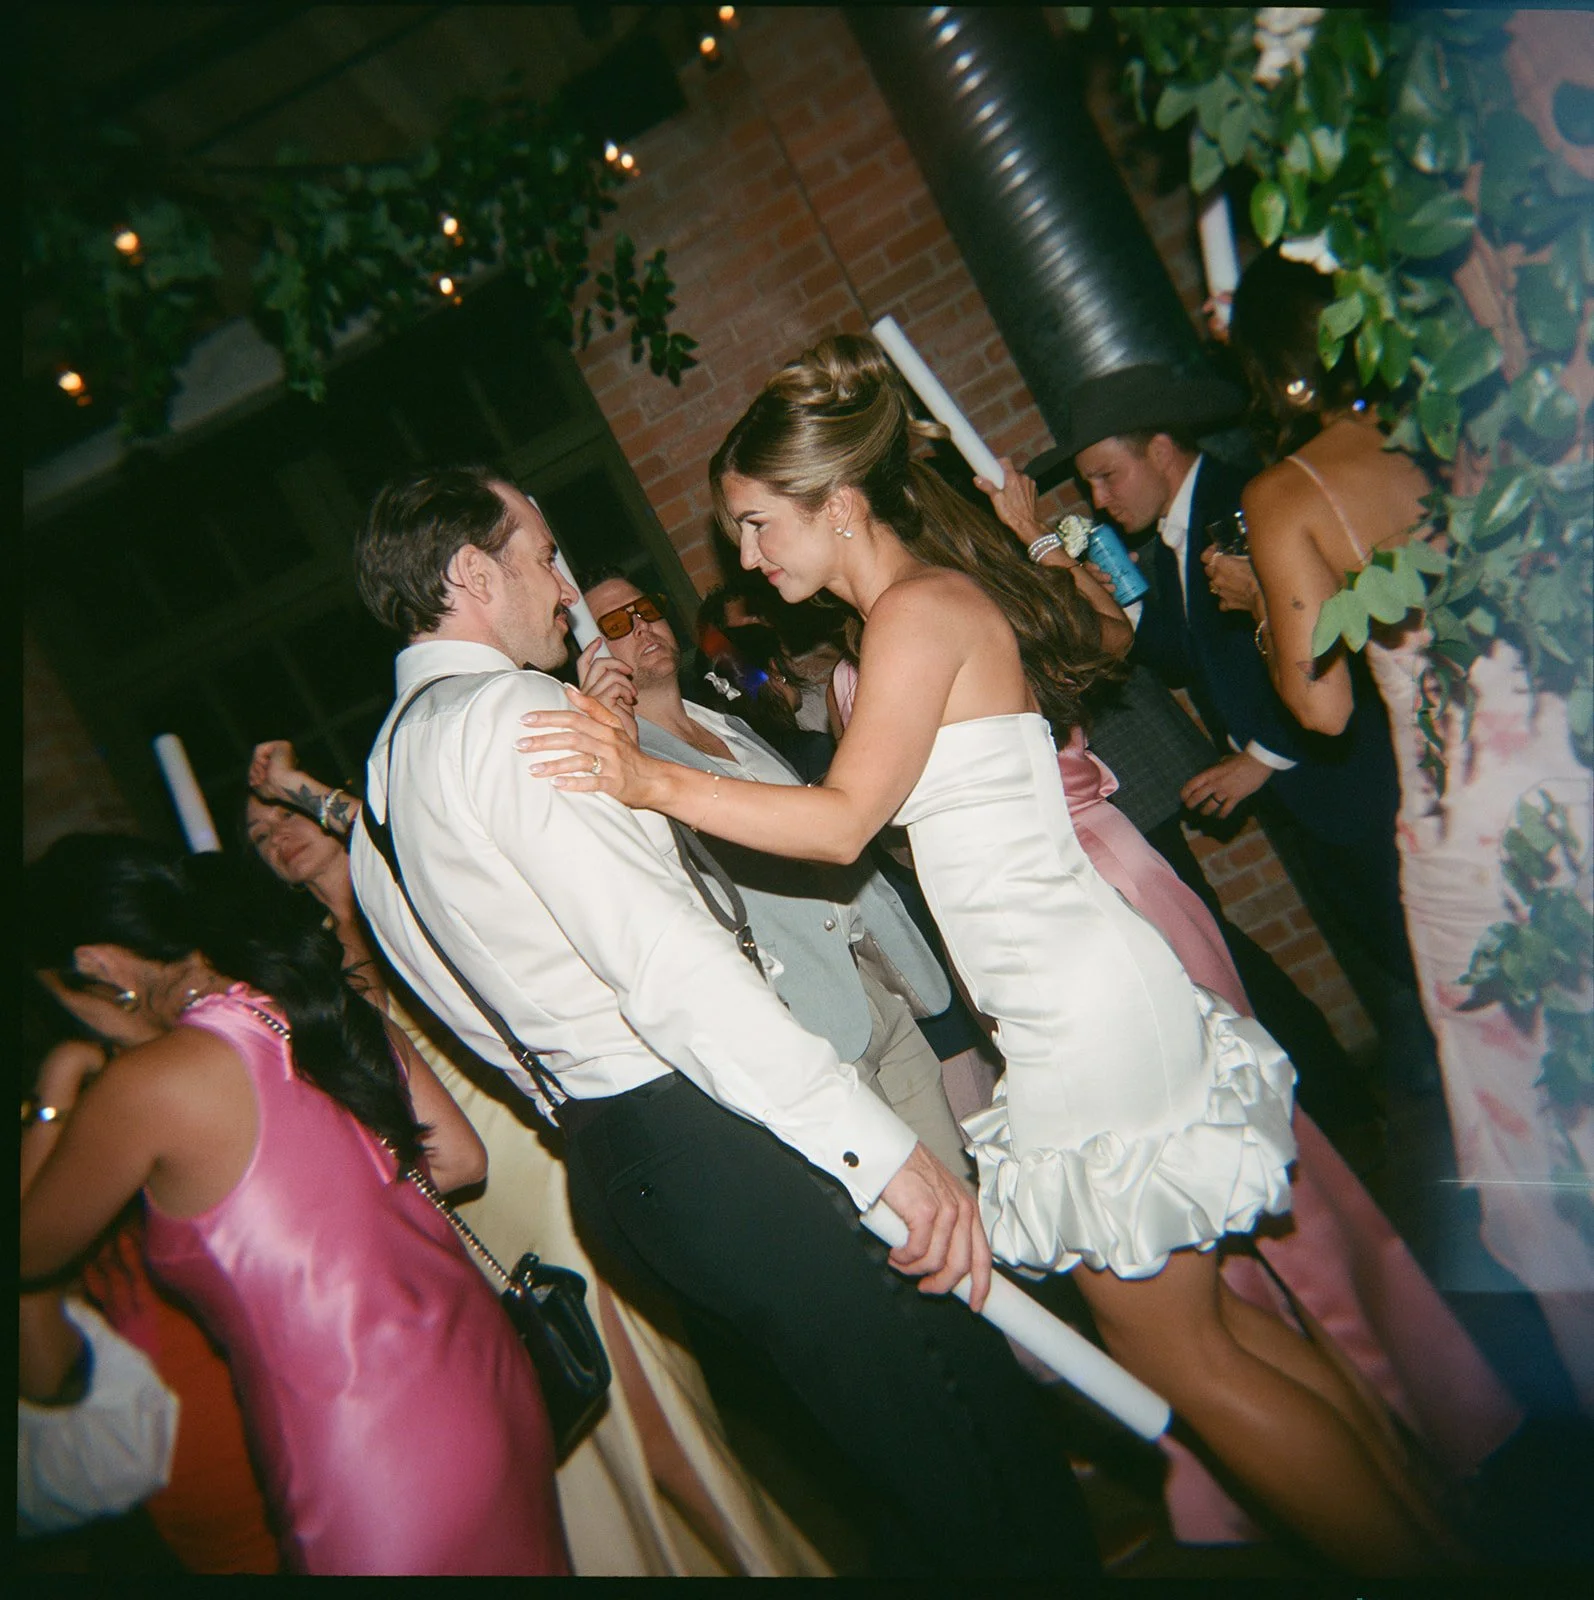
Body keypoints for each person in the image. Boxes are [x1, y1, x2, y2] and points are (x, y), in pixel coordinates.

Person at [518, 333, 1465, 1574]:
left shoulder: (915, 616)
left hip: (1080, 1006)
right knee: (1221, 1331)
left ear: (839, 503)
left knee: (1185, 1358)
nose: (745, 559)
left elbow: (841, 822)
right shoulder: (921, 610)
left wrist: (644, 779)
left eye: (757, 526)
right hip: (1077, 988)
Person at [346, 465, 1098, 1581]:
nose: (568, 589)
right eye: (544, 556)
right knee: (972, 1450)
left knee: (895, 1464)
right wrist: (883, 1152)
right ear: (469, 572)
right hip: (715, 1124)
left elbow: (477, 1020)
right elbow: (667, 967)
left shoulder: (379, 783)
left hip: (621, 1153)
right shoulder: (511, 714)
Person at [837, 464, 1523, 1547]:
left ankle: (1389, 1494)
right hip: (1127, 889)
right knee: (1235, 1228)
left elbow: (858, 822)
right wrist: (1038, 545)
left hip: (1071, 934)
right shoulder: (1012, 594)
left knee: (1195, 1294)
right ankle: (1411, 1460)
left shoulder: (906, 638)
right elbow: (1107, 643)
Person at [243, 739, 830, 1577]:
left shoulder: (410, 886)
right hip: (468, 1201)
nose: (280, 838)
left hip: (528, 1155)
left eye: (287, 818)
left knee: (653, 1418)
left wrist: (305, 791)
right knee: (580, 1445)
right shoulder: (304, 968)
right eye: (260, 838)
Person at [1224, 248, 1594, 1415]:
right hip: (1569, 761)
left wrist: (1260, 605)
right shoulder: (1459, 416)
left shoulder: (1287, 494)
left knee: (1528, 1110)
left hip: (1469, 821)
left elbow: (1320, 703)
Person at [21, 834, 569, 1576]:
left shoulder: (146, 1088)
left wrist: (54, 1092)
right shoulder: (300, 990)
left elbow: (28, 1253)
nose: (77, 1029)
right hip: (488, 1381)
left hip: (367, 1448)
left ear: (97, 966)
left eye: (63, 1005)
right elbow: (460, 1161)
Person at [1043, 364, 1437, 1100]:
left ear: (1161, 448)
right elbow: (1177, 652)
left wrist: (1261, 757)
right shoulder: (1173, 533)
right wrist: (1094, 579)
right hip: (1314, 790)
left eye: (1107, 475)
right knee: (1395, 946)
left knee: (1418, 943)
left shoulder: (1244, 502)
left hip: (1350, 770)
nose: (1098, 498)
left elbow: (1323, 644)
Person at [574, 573, 969, 1177]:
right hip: (804, 1019)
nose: (642, 626)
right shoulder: (628, 761)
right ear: (590, 652)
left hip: (871, 986)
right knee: (914, 1218)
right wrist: (607, 730)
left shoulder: (727, 720)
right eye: (614, 624)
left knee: (962, 1183)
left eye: (646, 607)